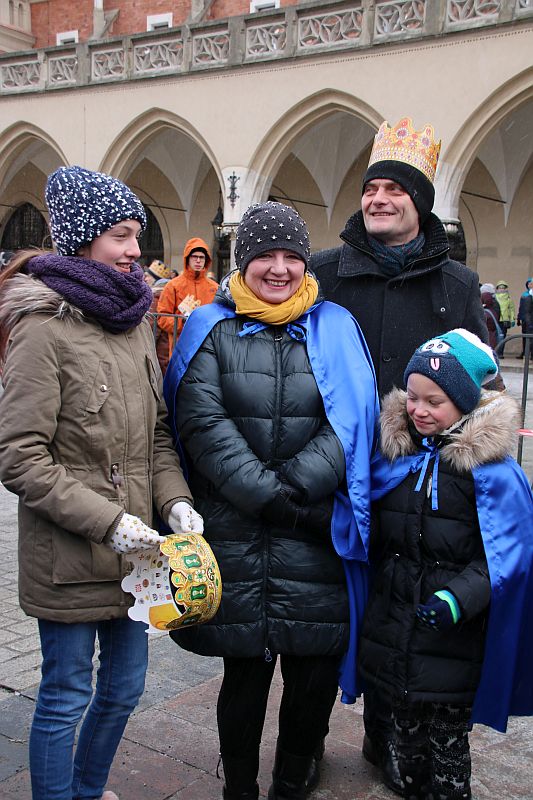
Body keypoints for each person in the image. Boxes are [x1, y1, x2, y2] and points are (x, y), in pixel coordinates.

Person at [163, 201, 379, 800]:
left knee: (312, 680)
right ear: (244, 261)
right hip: (239, 532)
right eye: (265, 256)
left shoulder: (337, 325)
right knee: (245, 677)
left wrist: (295, 489)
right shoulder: (212, 327)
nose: (278, 268)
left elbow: (354, 421)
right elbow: (201, 420)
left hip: (315, 531)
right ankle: (239, 788)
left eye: (291, 256)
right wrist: (266, 495)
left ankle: (290, 784)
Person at [0, 166, 203, 800]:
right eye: (120, 235)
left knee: (125, 688)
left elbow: (159, 436)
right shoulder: (43, 328)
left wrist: (175, 502)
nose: (134, 250)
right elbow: (20, 457)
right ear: (82, 240)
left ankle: (87, 790)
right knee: (66, 694)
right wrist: (106, 521)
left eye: (137, 235)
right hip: (70, 553)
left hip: (137, 553)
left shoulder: (136, 320)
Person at [309, 117, 488, 793]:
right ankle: (309, 740)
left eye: (395, 189)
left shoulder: (457, 285)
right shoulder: (323, 273)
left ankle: (388, 737)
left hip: (422, 482)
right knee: (335, 614)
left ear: (420, 203)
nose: (379, 198)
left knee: (400, 604)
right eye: (372, 187)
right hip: (338, 471)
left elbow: (480, 381)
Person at [360, 328, 533, 800]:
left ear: (464, 402)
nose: (418, 410)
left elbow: (507, 554)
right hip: (397, 628)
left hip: (453, 641)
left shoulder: (491, 473)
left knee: (448, 746)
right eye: (412, 397)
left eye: (433, 401)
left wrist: (459, 598)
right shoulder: (397, 456)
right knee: (405, 741)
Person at [157, 237, 218, 354]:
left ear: (207, 260)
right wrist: (183, 322)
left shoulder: (214, 288)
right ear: (187, 259)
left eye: (202, 257)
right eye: (195, 257)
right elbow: (162, 318)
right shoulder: (173, 285)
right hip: (180, 347)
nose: (198, 261)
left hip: (207, 346)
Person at [494, 280, 516, 357]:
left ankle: (500, 353)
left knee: (502, 337)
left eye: (503, 287)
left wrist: (513, 319)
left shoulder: (509, 300)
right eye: (500, 287)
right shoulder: (495, 298)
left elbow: (512, 310)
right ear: (497, 289)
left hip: (505, 320)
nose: (502, 289)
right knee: (495, 336)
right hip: (496, 319)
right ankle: (495, 351)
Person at [516, 277, 532, 358]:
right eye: (529, 283)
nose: (530, 285)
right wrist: (519, 318)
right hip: (525, 319)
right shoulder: (524, 295)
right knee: (525, 337)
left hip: (531, 320)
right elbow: (521, 308)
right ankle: (524, 352)